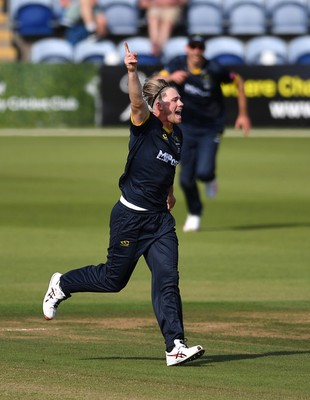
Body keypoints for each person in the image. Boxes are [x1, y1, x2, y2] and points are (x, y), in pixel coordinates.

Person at [43, 42, 204, 367]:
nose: (181, 103)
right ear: (158, 106)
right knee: (113, 280)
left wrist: (170, 192)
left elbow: (168, 166)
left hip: (159, 221)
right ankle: (62, 284)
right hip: (130, 218)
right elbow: (135, 101)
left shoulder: (177, 135)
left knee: (167, 279)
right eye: (174, 100)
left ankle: (175, 346)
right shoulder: (145, 126)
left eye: (179, 99)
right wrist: (132, 71)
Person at [156, 34, 251, 232]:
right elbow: (156, 79)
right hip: (186, 127)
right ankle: (195, 213)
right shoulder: (177, 63)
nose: (196, 51)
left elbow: (238, 81)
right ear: (187, 48)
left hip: (211, 127)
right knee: (185, 179)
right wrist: (171, 78)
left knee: (204, 172)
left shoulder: (214, 68)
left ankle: (210, 179)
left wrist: (243, 114)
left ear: (203, 50)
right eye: (193, 46)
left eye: (200, 47)